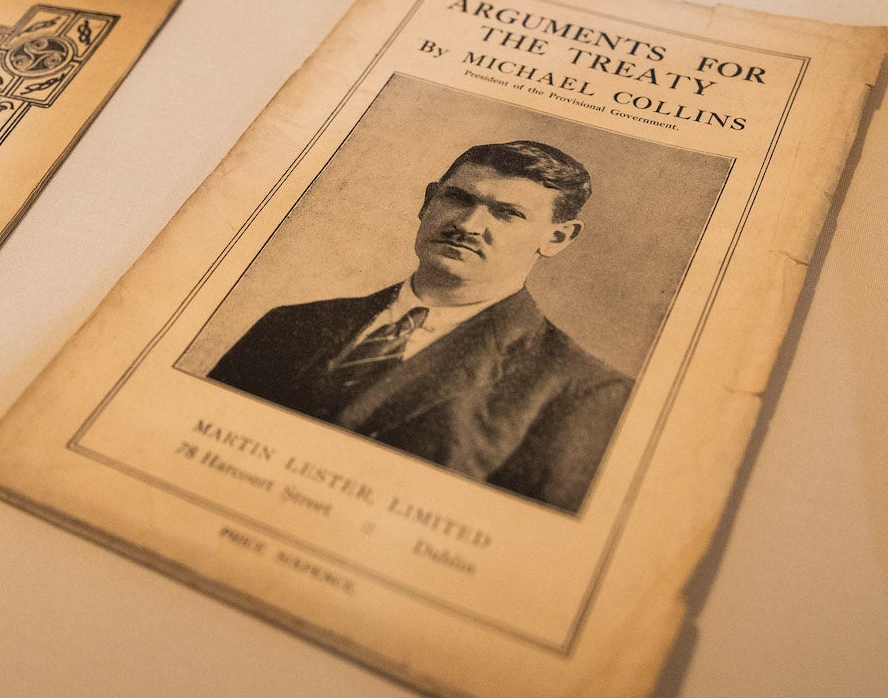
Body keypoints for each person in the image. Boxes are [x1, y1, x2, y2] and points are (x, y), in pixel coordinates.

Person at [208, 140, 630, 513]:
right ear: (428, 202)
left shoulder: (580, 390)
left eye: (506, 214)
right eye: (457, 199)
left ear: (557, 238)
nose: (467, 225)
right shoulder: (289, 325)